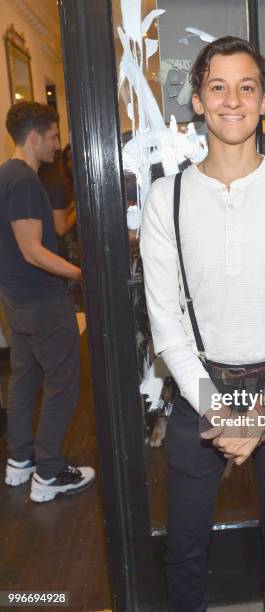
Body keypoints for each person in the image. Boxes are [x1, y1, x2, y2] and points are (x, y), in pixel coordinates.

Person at [140, 37, 265, 611]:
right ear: (197, 101)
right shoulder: (165, 198)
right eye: (217, 87)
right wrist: (219, 410)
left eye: (245, 87)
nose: (231, 100)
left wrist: (264, 410)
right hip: (199, 389)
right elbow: (165, 322)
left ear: (264, 99)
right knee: (185, 549)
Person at [0, 101, 95, 502]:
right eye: (53, 135)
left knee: (24, 379)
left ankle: (20, 462)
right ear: (35, 136)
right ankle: (50, 474)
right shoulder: (23, 180)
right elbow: (32, 250)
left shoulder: (7, 174)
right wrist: (79, 274)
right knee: (62, 387)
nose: (58, 144)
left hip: (16, 299)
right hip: (39, 301)